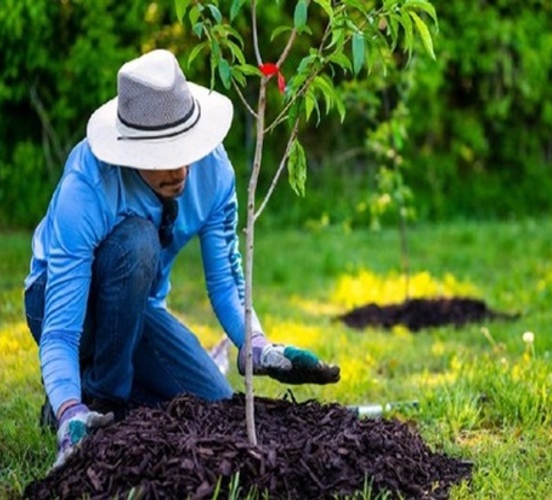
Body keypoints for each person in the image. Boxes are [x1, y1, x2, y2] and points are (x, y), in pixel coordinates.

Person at [23, 49, 340, 469]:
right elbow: (62, 330)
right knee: (137, 241)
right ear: (131, 150)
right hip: (61, 306)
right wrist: (69, 413)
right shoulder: (88, 185)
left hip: (138, 310)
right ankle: (95, 401)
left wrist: (257, 345)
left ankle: (93, 393)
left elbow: (227, 282)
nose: (178, 170)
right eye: (160, 155)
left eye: (183, 148)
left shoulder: (213, 172)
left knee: (213, 404)